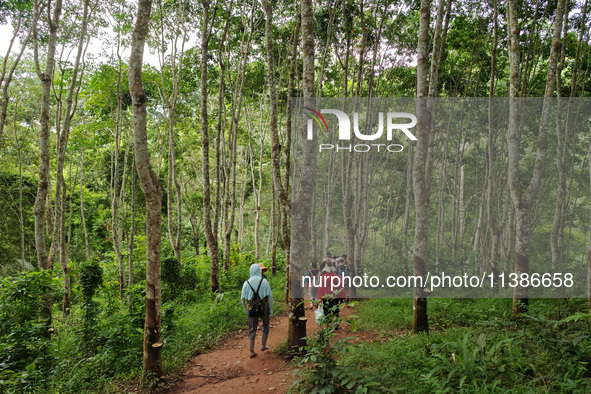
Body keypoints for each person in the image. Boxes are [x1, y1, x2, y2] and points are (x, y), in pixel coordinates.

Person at [241, 263, 273, 358]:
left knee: (252, 329)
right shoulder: (264, 281)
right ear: (259, 271)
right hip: (264, 307)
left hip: (251, 308)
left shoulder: (246, 283)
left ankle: (251, 351)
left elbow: (243, 299)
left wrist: (247, 310)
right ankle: (263, 345)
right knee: (266, 324)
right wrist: (270, 309)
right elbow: (270, 297)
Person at [317, 260, 346, 327]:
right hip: (335, 297)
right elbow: (340, 288)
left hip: (326, 298)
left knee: (327, 311)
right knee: (336, 311)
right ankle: (336, 324)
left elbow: (321, 288)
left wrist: (320, 298)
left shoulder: (323, 278)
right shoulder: (336, 277)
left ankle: (329, 325)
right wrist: (344, 298)